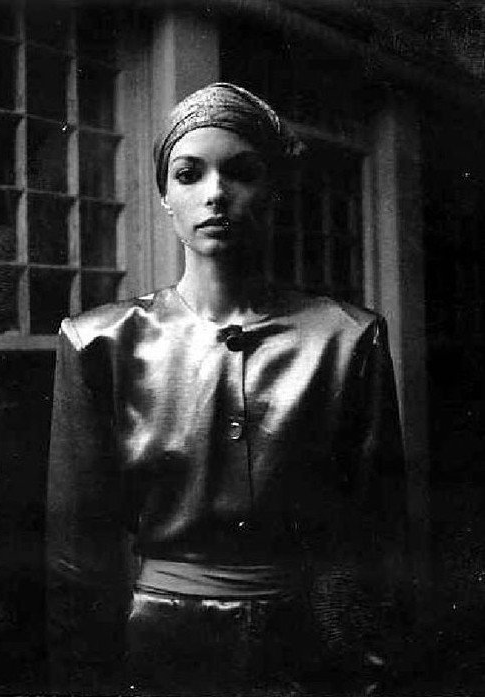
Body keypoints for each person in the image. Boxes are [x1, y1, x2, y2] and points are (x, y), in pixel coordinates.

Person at [46, 83, 407, 696]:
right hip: (158, 650)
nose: (215, 193)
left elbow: (375, 538)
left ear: (273, 189)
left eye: (241, 172)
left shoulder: (347, 337)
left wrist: (369, 675)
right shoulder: (98, 341)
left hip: (303, 650)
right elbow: (76, 553)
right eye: (189, 174)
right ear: (165, 196)